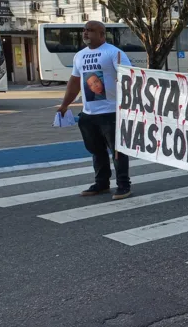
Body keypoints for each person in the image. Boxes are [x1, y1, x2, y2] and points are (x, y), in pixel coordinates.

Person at [57, 20, 133, 200]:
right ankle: (102, 183)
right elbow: (75, 82)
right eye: (84, 30)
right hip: (89, 114)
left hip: (111, 113)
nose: (85, 33)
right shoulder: (79, 56)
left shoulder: (114, 53)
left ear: (101, 34)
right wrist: (65, 104)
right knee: (96, 151)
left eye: (89, 30)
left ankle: (123, 185)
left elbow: (130, 79)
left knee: (118, 151)